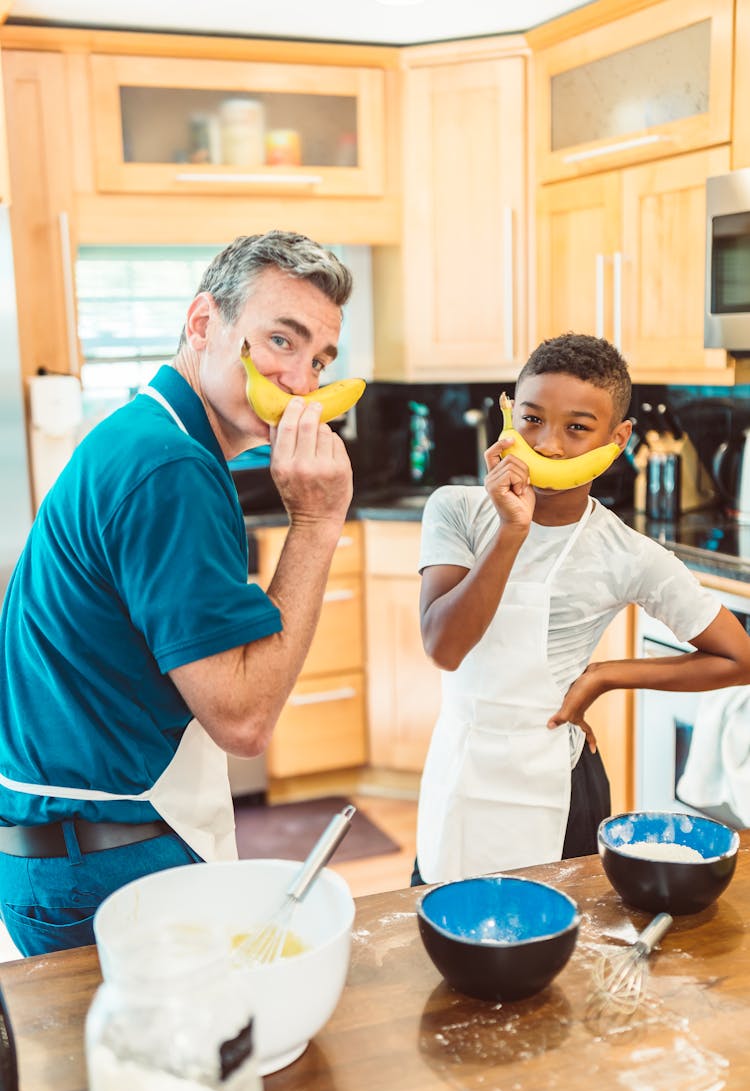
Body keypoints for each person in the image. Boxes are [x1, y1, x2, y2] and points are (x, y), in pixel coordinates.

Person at [0, 231, 355, 956]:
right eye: (280, 341)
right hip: (107, 864)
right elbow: (245, 717)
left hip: (66, 849)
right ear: (202, 324)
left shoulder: (141, 434)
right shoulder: (172, 468)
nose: (302, 382)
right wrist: (316, 524)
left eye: (319, 359)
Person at [412, 333, 750, 886]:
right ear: (508, 415)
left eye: (576, 427)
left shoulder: (627, 553)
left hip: (560, 781)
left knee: (563, 945)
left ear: (617, 439)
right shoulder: (456, 510)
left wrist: (603, 677)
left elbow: (739, 658)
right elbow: (444, 647)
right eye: (531, 419)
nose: (548, 444)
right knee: (442, 926)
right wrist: (510, 534)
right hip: (461, 767)